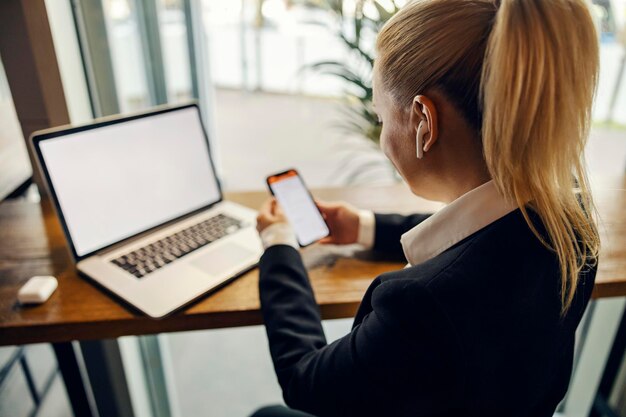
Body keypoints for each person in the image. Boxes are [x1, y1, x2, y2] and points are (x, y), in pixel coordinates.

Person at [252, 0, 600, 415]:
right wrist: (363, 227)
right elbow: (483, 238)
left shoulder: (419, 306)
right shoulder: (571, 223)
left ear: (424, 122)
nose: (382, 138)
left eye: (382, 118)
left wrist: (278, 247)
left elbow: (304, 379)